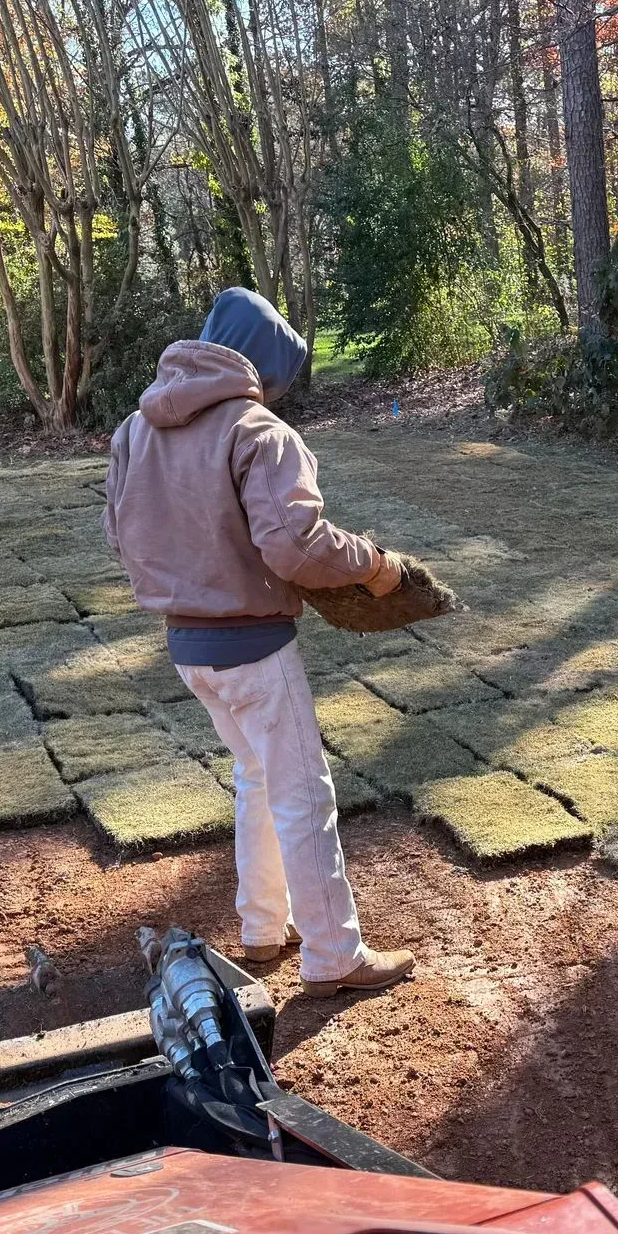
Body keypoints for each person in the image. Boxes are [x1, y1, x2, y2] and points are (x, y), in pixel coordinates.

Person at [104, 287, 414, 997]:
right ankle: (335, 955)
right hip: (254, 649)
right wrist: (374, 565)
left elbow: (118, 535)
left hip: (189, 653)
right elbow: (295, 546)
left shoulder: (135, 431)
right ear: (263, 368)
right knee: (304, 793)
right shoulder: (259, 432)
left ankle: (262, 927)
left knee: (256, 778)